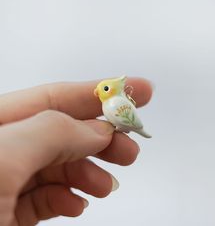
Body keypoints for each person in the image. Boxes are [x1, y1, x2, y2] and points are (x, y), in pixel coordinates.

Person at [0, 77, 152, 226]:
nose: (97, 92)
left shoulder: (115, 103)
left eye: (105, 89)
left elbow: (127, 118)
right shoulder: (109, 104)